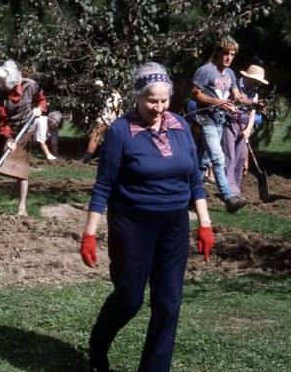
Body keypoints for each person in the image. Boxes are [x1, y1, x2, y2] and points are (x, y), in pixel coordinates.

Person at [79, 62, 215, 372]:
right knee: (129, 299)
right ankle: (97, 350)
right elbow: (103, 187)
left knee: (168, 304)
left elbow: (194, 180)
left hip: (174, 226)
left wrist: (205, 225)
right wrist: (89, 234)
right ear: (137, 97)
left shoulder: (181, 127)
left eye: (164, 100)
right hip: (133, 225)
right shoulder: (120, 132)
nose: (159, 107)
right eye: (152, 100)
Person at [0, 60, 46, 217]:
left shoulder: (30, 85)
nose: (1, 87)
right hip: (7, 129)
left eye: (4, 84)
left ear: (14, 80)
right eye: (0, 83)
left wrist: (39, 108)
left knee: (21, 170)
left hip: (26, 129)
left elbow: (41, 100)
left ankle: (22, 208)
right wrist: (9, 139)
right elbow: (2, 120)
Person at [191, 37, 253, 213]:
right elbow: (195, 93)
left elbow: (237, 96)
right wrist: (216, 102)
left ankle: (189, 196)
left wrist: (251, 103)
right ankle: (228, 198)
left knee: (203, 162)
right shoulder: (206, 71)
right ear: (218, 51)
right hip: (205, 120)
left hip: (220, 121)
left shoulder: (230, 74)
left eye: (232, 54)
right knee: (218, 158)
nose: (229, 57)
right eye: (226, 53)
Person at [221, 64, 268, 196]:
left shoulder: (255, 92)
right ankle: (228, 190)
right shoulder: (233, 86)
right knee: (229, 156)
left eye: (259, 81)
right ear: (248, 77)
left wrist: (248, 130)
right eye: (255, 80)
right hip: (229, 122)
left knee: (240, 157)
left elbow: (252, 112)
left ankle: (236, 188)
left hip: (245, 126)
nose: (256, 83)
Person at [79, 80, 122, 164]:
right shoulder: (103, 96)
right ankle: (90, 157)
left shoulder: (113, 96)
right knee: (97, 134)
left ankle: (87, 158)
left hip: (110, 116)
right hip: (106, 115)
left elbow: (115, 112)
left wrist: (103, 126)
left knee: (97, 134)